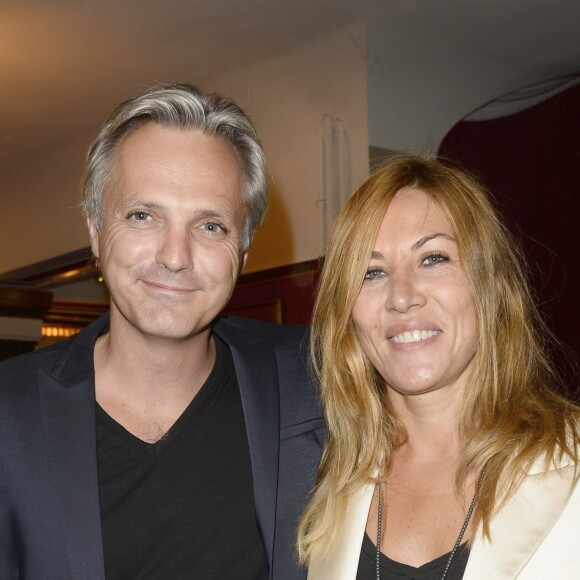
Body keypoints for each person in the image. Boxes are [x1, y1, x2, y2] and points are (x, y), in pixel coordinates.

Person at [0, 83, 324, 580]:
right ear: (94, 229)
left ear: (243, 249)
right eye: (143, 215)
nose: (175, 256)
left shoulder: (312, 377)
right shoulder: (10, 412)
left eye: (211, 226)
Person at [298, 154, 580, 579]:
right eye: (372, 272)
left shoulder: (571, 463)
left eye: (433, 259)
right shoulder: (328, 477)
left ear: (496, 289)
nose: (401, 296)